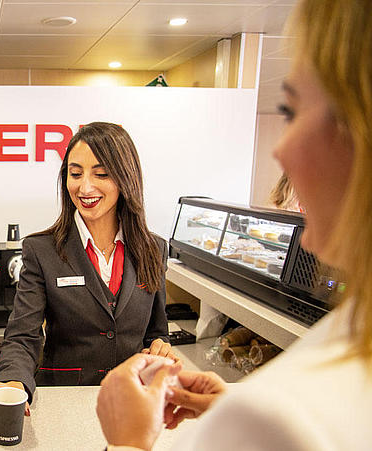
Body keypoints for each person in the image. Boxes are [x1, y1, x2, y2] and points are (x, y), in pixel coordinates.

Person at [96, 0, 372, 449]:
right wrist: (230, 413)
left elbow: (157, 330)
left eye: (293, 111)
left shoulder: (290, 419)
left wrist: (126, 440)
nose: (280, 152)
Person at [0, 122, 175, 432]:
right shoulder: (42, 250)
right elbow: (23, 335)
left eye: (101, 174)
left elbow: (155, 331)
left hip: (130, 405)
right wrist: (13, 382)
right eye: (76, 173)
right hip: (63, 404)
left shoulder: (154, 248)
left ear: (126, 178)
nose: (84, 187)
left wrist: (160, 345)